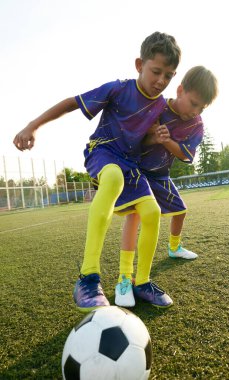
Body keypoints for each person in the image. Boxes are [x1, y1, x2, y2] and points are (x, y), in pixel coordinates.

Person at [13, 32, 181, 312]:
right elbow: (72, 102)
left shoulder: (162, 106)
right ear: (139, 64)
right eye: (156, 71)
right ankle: (87, 278)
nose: (161, 80)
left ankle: (142, 281)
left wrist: (158, 137)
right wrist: (32, 125)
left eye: (169, 75)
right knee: (113, 177)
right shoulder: (117, 89)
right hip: (102, 153)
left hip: (131, 165)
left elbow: (149, 139)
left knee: (151, 212)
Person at [114, 66, 218, 307]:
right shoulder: (157, 106)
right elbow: (136, 141)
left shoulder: (196, 125)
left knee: (181, 211)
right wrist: (153, 135)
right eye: (193, 103)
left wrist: (167, 139)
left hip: (161, 175)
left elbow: (186, 156)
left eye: (201, 108)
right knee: (135, 217)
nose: (195, 112)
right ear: (180, 90)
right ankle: (124, 278)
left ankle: (174, 248)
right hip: (138, 172)